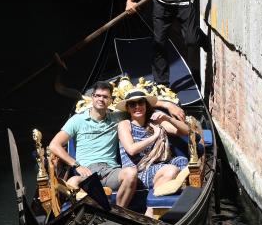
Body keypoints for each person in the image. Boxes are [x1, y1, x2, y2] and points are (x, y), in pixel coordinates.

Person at [48, 82, 185, 209]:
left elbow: (140, 105)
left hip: (111, 171)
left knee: (131, 173)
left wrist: (168, 105)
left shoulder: (117, 118)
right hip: (87, 171)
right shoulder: (77, 120)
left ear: (111, 100)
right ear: (92, 97)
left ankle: (119, 213)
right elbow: (54, 145)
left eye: (105, 97)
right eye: (98, 96)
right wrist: (77, 165)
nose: (101, 99)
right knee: (72, 182)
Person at [115, 88, 191, 213]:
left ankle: (180, 204)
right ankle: (151, 212)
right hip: (138, 172)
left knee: (182, 161)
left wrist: (167, 118)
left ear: (146, 105)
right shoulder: (125, 124)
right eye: (133, 104)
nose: (137, 107)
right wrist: (155, 136)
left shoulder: (155, 123)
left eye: (141, 102)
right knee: (171, 170)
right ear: (128, 108)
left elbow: (187, 131)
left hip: (158, 167)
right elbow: (132, 150)